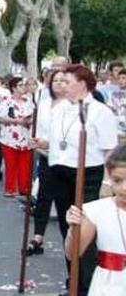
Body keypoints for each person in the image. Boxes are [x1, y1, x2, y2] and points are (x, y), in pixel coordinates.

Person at [34, 64, 119, 295]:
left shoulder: (100, 111)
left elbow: (109, 150)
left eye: (68, 82)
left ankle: (87, 285)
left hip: (88, 174)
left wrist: (107, 183)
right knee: (68, 228)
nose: (63, 86)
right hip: (60, 172)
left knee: (87, 230)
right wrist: (45, 143)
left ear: (82, 84)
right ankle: (73, 280)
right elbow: (60, 140)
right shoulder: (60, 109)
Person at [62, 143, 126, 296]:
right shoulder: (96, 211)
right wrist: (73, 229)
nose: (124, 188)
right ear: (110, 178)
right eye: (117, 181)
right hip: (108, 285)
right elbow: (73, 254)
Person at [26, 69, 67, 256]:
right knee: (43, 195)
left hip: (64, 159)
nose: (58, 83)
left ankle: (69, 240)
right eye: (55, 80)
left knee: (63, 201)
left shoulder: (71, 105)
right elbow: (37, 127)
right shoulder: (43, 104)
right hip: (44, 155)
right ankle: (38, 236)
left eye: (62, 80)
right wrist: (33, 140)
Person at [0, 77, 35, 197]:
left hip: (26, 136)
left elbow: (33, 115)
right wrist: (18, 120)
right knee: (11, 164)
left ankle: (24, 188)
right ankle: (10, 188)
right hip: (9, 137)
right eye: (20, 85)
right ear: (13, 88)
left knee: (25, 164)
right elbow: (1, 117)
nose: (23, 87)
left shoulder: (28, 101)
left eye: (24, 85)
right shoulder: (6, 101)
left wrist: (29, 120)